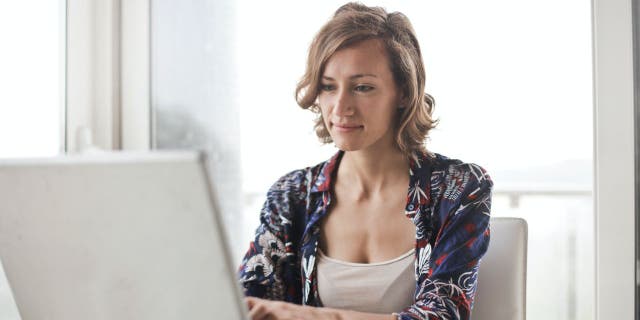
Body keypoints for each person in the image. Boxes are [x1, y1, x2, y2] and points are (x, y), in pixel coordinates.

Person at [237, 3, 492, 320]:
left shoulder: (458, 188)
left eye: (362, 87)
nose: (340, 107)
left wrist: (320, 316)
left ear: (403, 92)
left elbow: (444, 314)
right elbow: (244, 302)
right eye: (329, 86)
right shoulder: (292, 196)